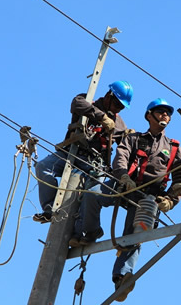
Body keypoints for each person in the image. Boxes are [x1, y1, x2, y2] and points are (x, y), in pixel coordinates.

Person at [73, 98, 181, 302]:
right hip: (125, 184)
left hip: (149, 195)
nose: (165, 116)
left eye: (167, 113)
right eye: (160, 111)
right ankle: (90, 231)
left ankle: (121, 278)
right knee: (93, 194)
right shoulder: (134, 138)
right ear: (149, 115)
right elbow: (121, 156)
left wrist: (171, 200)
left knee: (135, 235)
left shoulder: (173, 147)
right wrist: (123, 176)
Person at [32, 81, 133, 223]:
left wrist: (130, 136)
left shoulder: (119, 123)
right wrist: (101, 117)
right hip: (71, 154)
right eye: (117, 105)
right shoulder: (88, 102)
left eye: (121, 107)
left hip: (95, 165)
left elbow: (126, 145)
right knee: (43, 167)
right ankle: (50, 208)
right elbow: (76, 103)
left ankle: (82, 233)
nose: (118, 109)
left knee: (92, 195)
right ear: (109, 96)